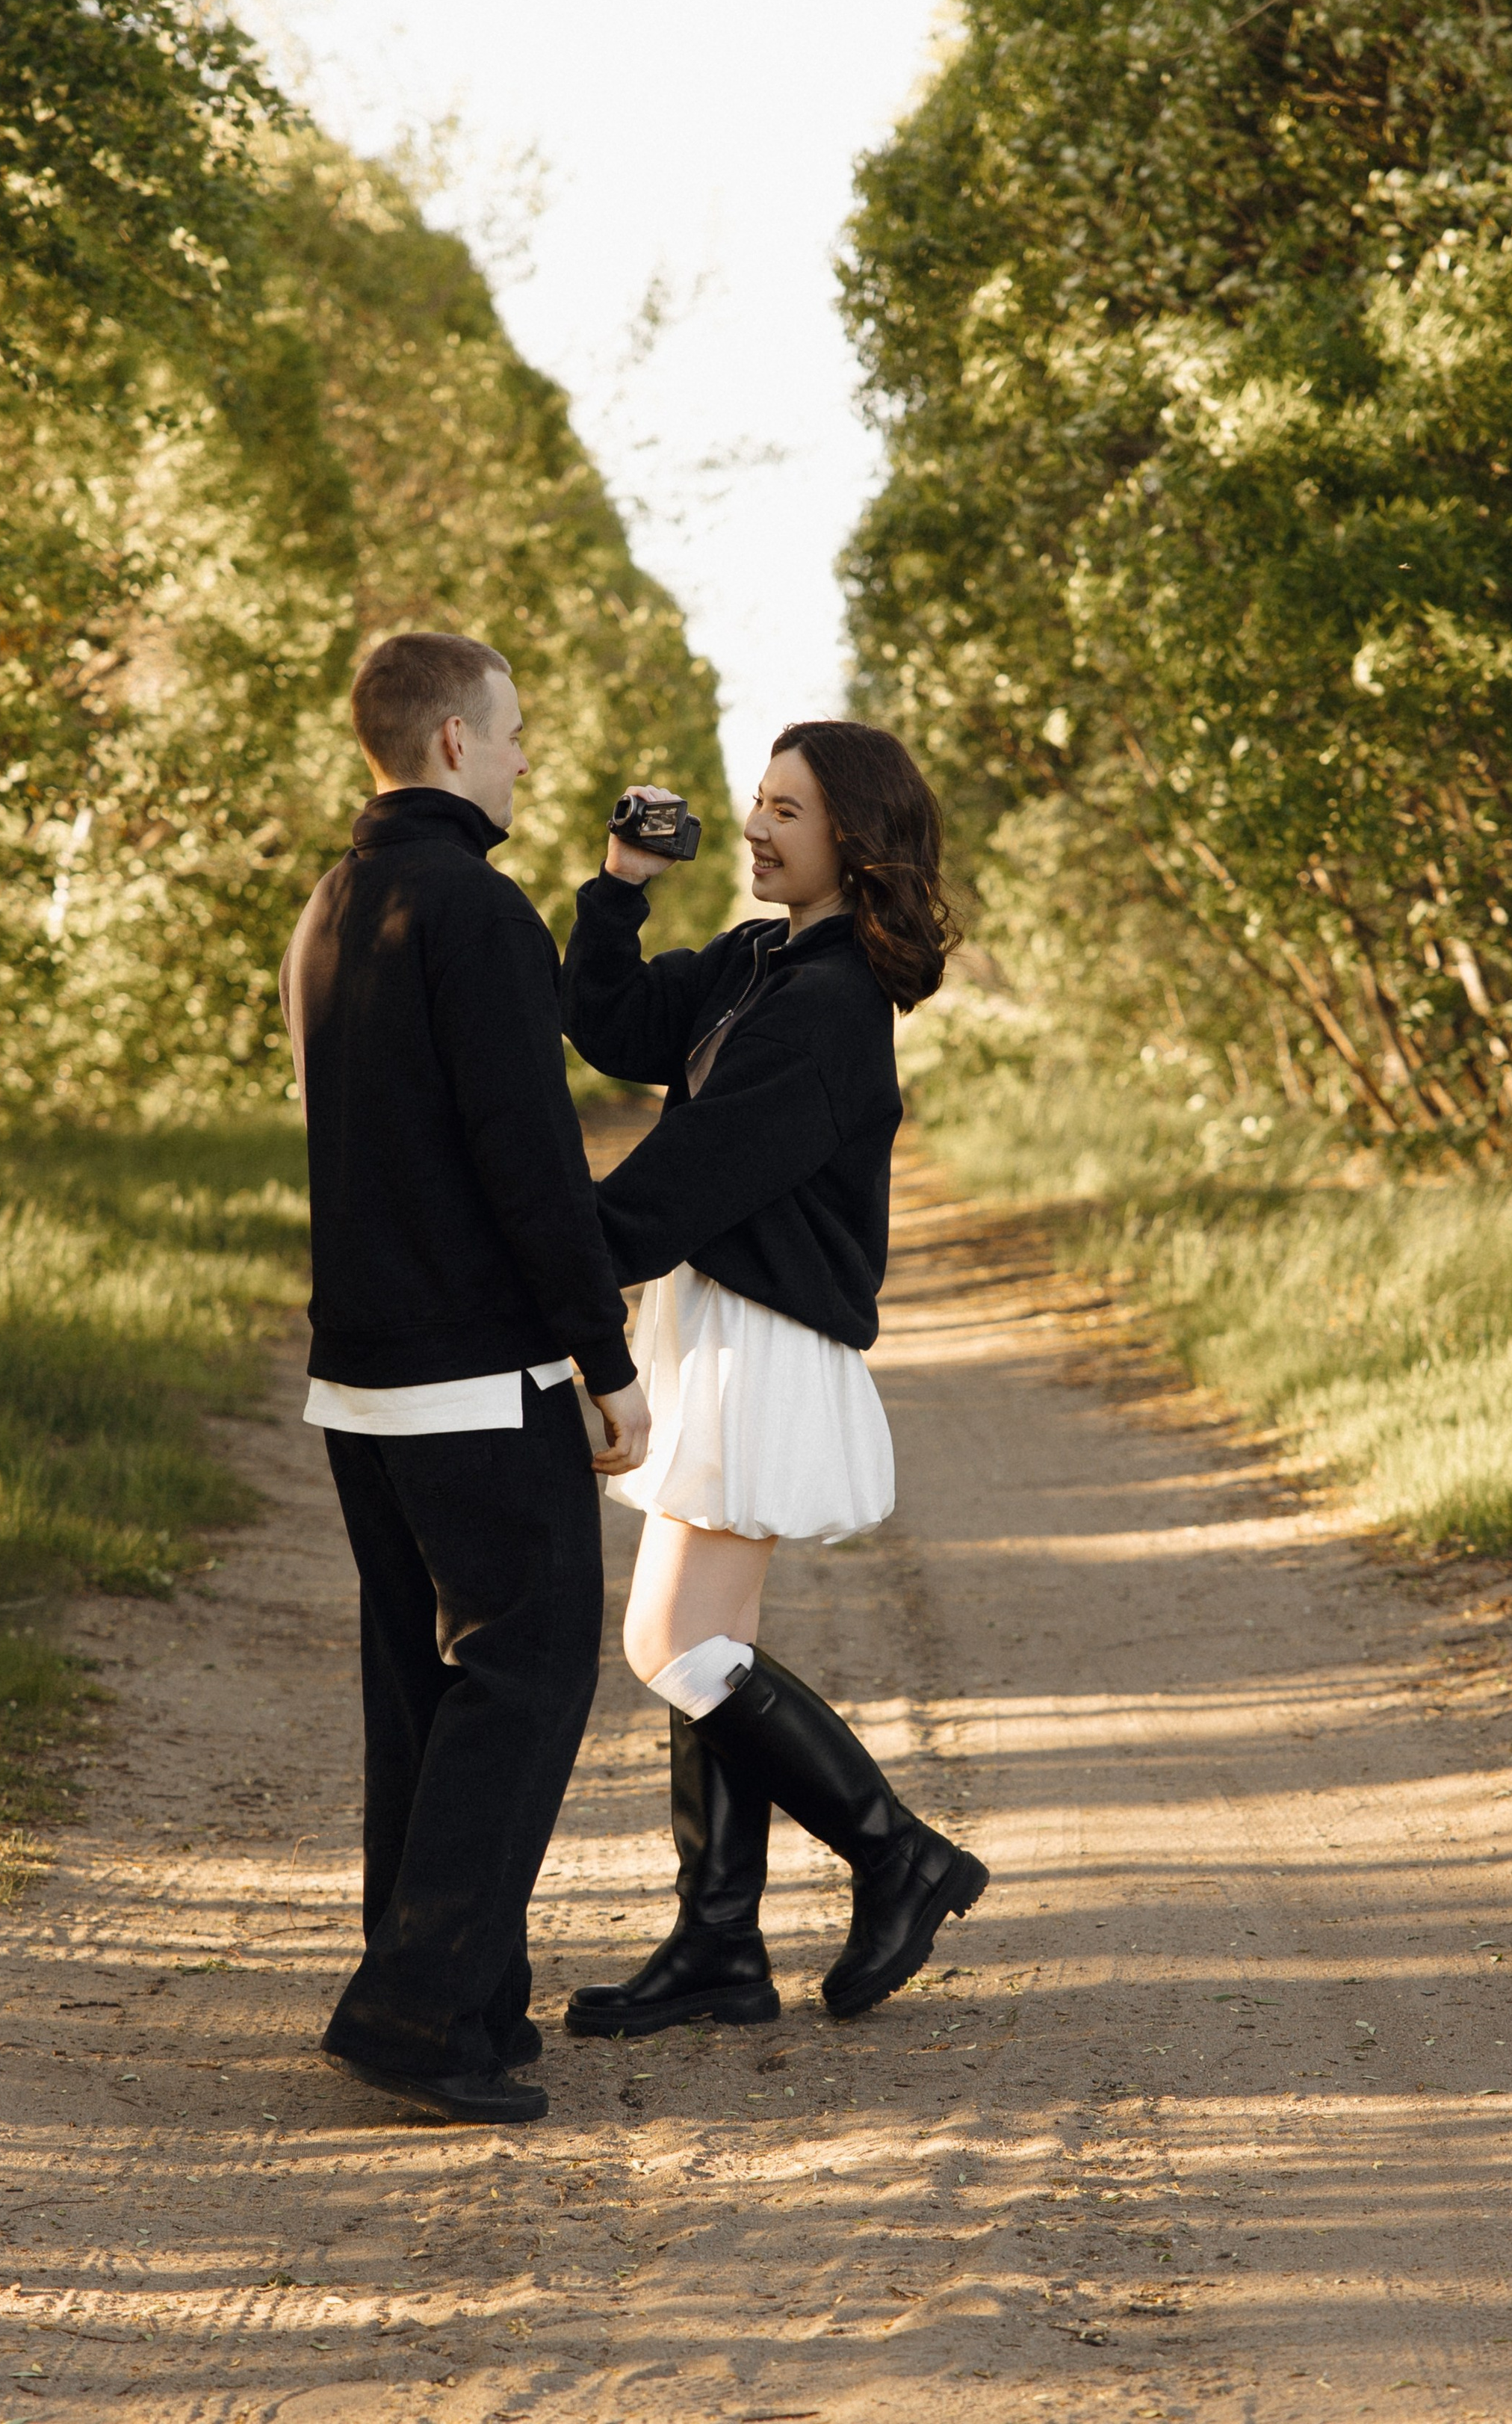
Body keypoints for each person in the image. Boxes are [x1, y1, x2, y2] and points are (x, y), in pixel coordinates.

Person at [557, 717, 988, 2038]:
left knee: (671, 1645)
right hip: (719, 1321)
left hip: (766, 1339)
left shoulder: (834, 1005)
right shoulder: (760, 959)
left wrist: (554, 1275)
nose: (754, 827)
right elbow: (620, 1029)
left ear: (851, 844)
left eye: (785, 812)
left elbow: (693, 1176)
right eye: (756, 803)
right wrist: (620, 889)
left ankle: (897, 1852)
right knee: (709, 1646)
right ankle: (718, 1945)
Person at [282, 630, 651, 2126]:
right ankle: (419, 2010)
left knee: (422, 1694)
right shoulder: (479, 912)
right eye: (509, 736)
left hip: (358, 1379)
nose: (521, 759)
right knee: (529, 1664)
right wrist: (603, 1355)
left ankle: (464, 1998)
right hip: (470, 1377)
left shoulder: (330, 904)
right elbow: (529, 1159)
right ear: (447, 741)